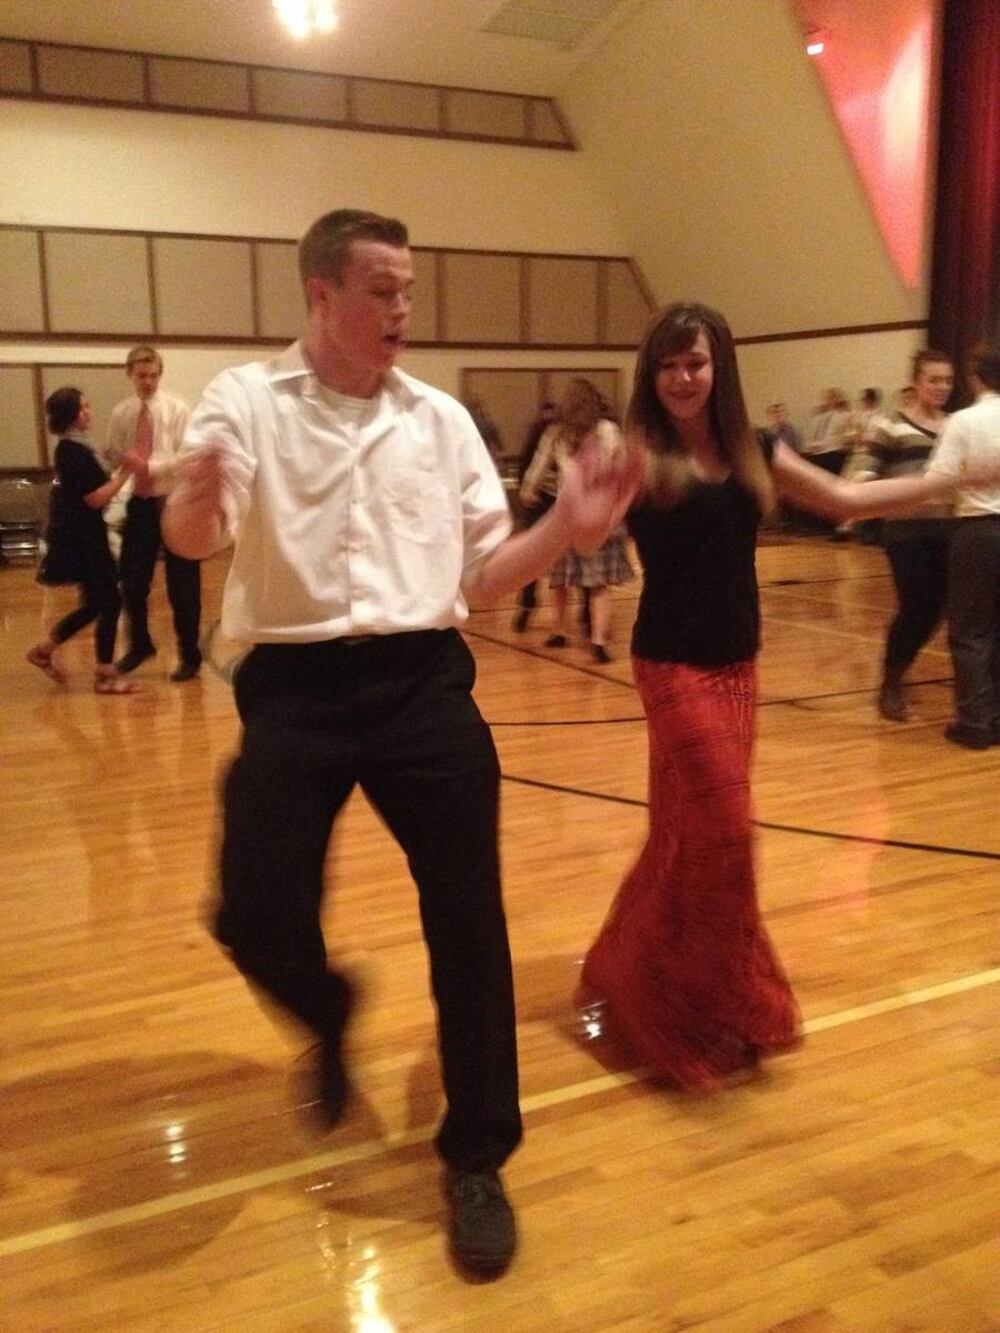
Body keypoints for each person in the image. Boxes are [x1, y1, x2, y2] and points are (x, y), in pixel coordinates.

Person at [161, 209, 636, 1277]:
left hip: (423, 685)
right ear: (321, 294)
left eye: (408, 288)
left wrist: (568, 530)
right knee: (252, 911)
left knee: (469, 925)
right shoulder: (247, 400)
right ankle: (327, 1011)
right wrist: (187, 510)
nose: (402, 309)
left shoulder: (439, 421)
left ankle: (477, 1155)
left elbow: (477, 577)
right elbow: (200, 533)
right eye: (380, 288)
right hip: (291, 689)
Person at [576, 302, 997, 1092]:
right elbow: (587, 534)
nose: (682, 378)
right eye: (668, 365)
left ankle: (639, 972)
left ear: (720, 366)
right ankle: (697, 1001)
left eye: (695, 362)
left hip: (739, 667)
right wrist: (587, 499)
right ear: (651, 374)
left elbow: (844, 503)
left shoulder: (754, 449)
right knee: (727, 831)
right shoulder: (639, 452)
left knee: (684, 833)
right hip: (668, 666)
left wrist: (954, 478)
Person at [28, 387, 137, 695]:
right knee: (110, 601)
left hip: (85, 535)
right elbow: (96, 498)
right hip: (84, 539)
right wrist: (126, 471)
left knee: (94, 604)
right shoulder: (72, 451)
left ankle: (44, 650)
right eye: (83, 408)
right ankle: (105, 674)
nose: (89, 412)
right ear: (72, 415)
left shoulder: (76, 447)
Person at [105, 346, 202, 681]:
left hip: (175, 501)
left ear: (160, 375)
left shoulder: (177, 409)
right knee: (132, 581)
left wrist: (149, 465)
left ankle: (189, 653)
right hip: (142, 502)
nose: (148, 381)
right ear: (129, 374)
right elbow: (116, 453)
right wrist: (117, 458)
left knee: (183, 585)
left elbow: (187, 458)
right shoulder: (123, 412)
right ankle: (140, 644)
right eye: (142, 375)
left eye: (154, 375)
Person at [521, 378, 633, 662]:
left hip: (567, 515)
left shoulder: (556, 433)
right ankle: (598, 640)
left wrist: (528, 489)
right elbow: (621, 466)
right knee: (598, 584)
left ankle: (559, 631)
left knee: (560, 580)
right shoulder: (607, 430)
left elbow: (538, 464)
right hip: (599, 516)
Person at [869, 350, 954, 721]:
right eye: (934, 380)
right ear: (917, 382)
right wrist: (900, 492)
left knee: (937, 611)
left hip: (950, 529)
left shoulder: (957, 425)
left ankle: (898, 673)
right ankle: (891, 682)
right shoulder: (889, 425)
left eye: (947, 380)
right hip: (905, 531)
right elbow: (862, 476)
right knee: (915, 606)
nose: (941, 387)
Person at [926, 342, 1000, 750]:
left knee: (971, 631)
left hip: (979, 530)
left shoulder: (966, 421)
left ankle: (975, 723)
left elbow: (939, 479)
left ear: (975, 376)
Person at [511, 399, 558, 633]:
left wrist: (525, 491)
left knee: (535, 560)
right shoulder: (550, 431)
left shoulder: (543, 430)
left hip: (543, 499)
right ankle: (527, 607)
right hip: (548, 499)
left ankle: (527, 608)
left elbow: (529, 465)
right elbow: (532, 464)